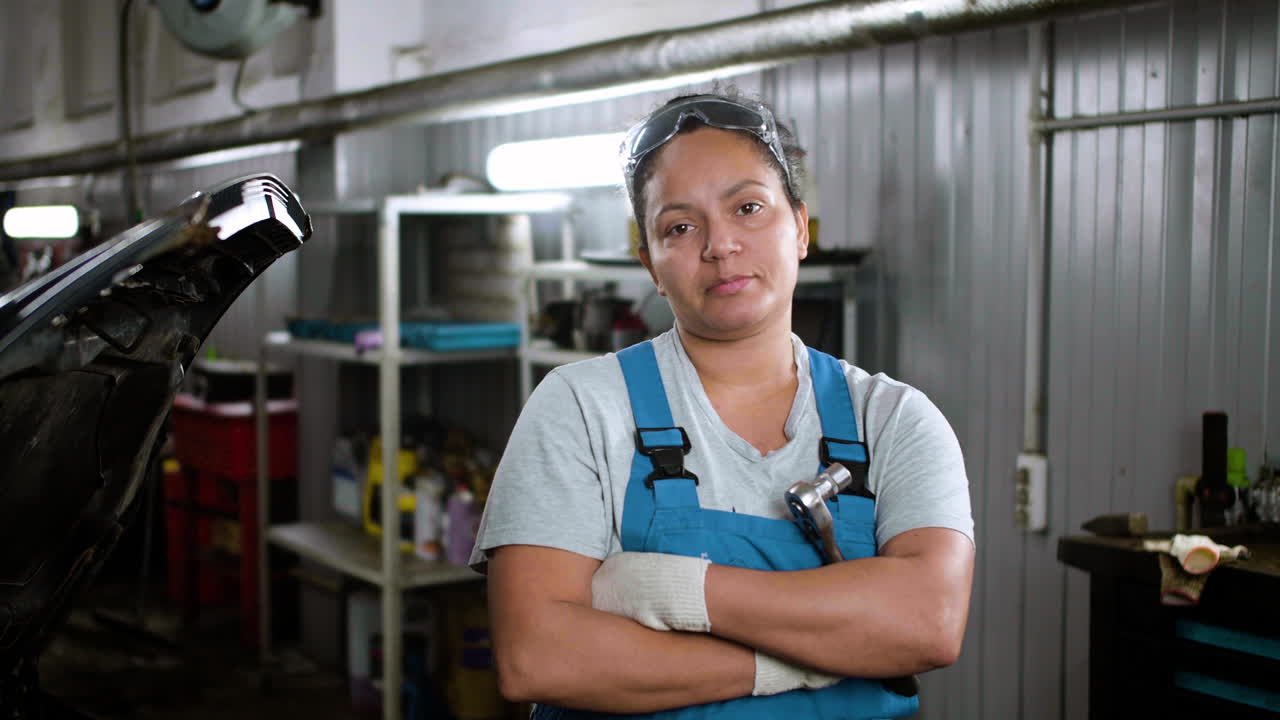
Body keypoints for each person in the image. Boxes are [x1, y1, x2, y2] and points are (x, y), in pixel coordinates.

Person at [470, 89, 975, 719]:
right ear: (650, 264)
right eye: (679, 227)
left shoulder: (896, 421)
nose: (720, 245)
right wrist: (800, 660)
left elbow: (929, 624)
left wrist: (673, 591)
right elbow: (539, 657)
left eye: (748, 207)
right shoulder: (580, 408)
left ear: (800, 228)